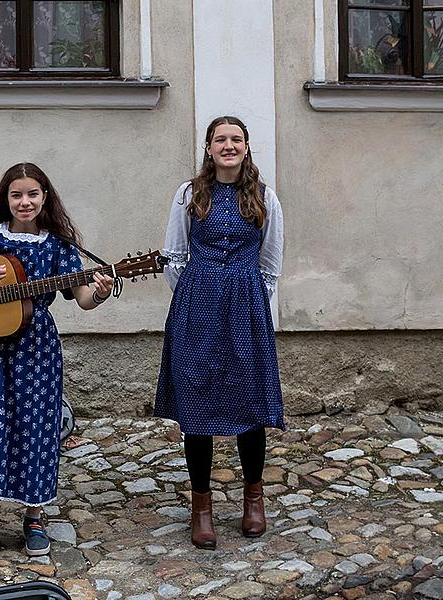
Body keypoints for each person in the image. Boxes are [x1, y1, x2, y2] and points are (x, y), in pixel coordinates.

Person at [0, 163, 114, 562]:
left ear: (45, 196)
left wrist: (99, 292)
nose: (25, 202)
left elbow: (81, 298)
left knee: (37, 427)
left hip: (38, 349)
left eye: (32, 194)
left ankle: (34, 517)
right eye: (17, 195)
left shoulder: (59, 245)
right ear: (6, 199)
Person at [154, 116, 284, 550]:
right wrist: (199, 290)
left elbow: (270, 265)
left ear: (246, 147)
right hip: (197, 307)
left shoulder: (266, 198)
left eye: (236, 139)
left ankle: (253, 499)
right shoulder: (189, 195)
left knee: (248, 404)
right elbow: (174, 255)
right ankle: (202, 507)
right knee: (198, 408)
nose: (228, 146)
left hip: (246, 309)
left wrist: (251, 303)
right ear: (208, 148)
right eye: (220, 140)